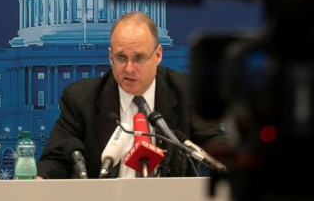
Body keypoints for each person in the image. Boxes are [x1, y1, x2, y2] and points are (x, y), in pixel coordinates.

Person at [36, 11, 232, 179]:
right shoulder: (80, 99)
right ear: (110, 56)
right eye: (121, 58)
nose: (129, 68)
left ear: (158, 55)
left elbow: (216, 146)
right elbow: (55, 161)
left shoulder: (186, 91)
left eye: (138, 58)